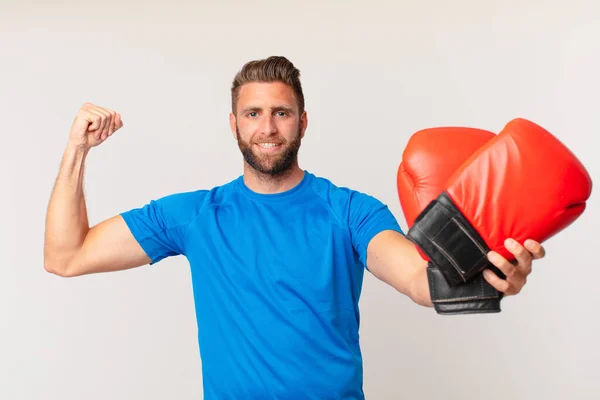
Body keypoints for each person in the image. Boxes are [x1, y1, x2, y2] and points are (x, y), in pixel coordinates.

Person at [44, 56, 546, 399]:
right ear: (234, 124)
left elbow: (418, 280)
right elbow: (66, 256)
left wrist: (487, 274)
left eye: (281, 113)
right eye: (254, 114)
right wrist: (76, 150)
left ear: (303, 122)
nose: (267, 128)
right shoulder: (195, 216)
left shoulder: (348, 210)